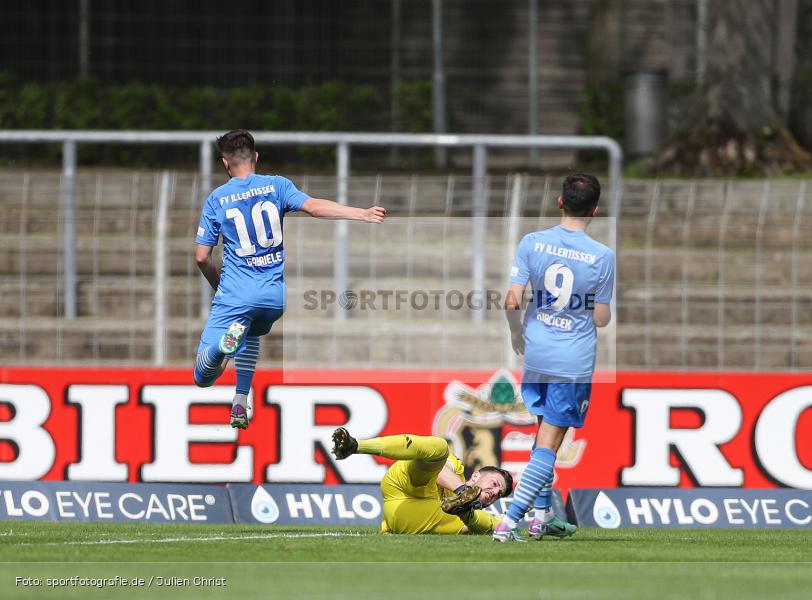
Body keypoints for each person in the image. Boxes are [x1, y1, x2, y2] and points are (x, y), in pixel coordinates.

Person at [193, 130, 386, 428]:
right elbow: (313, 207)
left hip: (235, 294)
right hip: (273, 298)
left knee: (203, 376)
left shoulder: (217, 199)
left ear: (224, 163)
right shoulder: (277, 186)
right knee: (251, 330)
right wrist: (360, 213)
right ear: (255, 157)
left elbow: (202, 257)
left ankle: (222, 348)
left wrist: (219, 287)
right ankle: (241, 400)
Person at [496, 174, 615, 542]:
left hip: (537, 354)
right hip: (571, 360)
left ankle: (543, 515)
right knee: (549, 444)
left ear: (560, 202)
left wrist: (517, 331)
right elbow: (601, 317)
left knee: (542, 433)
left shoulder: (532, 242)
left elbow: (512, 300)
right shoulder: (601, 256)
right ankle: (510, 521)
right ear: (595, 210)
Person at [330, 427, 513, 535]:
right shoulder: (456, 467)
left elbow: (492, 525)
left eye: (498, 495)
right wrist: (462, 489)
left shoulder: (472, 522)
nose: (494, 492)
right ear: (476, 475)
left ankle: (464, 508)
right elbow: (440, 468)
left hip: (404, 516)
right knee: (439, 448)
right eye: (495, 484)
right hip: (405, 484)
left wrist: (506, 520)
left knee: (475, 522)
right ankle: (355, 446)